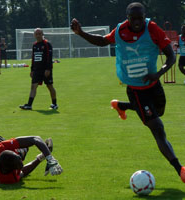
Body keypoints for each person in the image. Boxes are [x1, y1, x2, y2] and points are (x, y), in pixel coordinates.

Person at [71, 2, 185, 183]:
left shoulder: (152, 28)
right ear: (128, 18)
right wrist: (81, 33)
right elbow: (102, 41)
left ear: (144, 16)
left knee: (158, 113)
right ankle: (180, 169)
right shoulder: (120, 30)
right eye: (134, 18)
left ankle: (121, 106)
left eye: (140, 17)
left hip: (154, 86)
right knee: (157, 128)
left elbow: (171, 56)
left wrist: (158, 74)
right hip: (136, 90)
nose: (138, 21)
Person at [19, 28, 58, 110]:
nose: (38, 35)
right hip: (36, 70)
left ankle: (54, 104)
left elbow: (49, 57)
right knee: (33, 86)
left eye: (40, 33)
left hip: (45, 70)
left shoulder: (47, 44)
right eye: (36, 34)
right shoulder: (34, 45)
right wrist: (32, 70)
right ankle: (29, 105)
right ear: (34, 35)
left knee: (49, 86)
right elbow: (33, 58)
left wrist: (48, 69)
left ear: (42, 34)